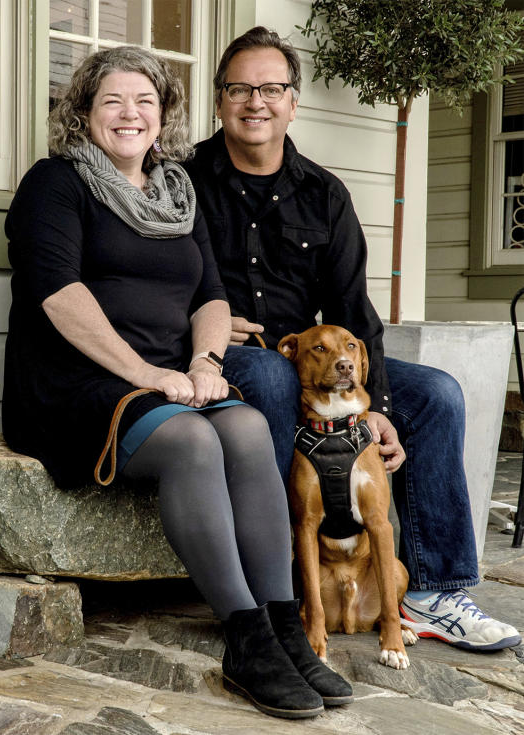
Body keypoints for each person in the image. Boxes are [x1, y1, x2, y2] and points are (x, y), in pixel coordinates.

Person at [2, 45, 352, 719]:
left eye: (144, 101)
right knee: (193, 441)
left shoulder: (173, 190)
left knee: (247, 426)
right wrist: (148, 374)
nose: (129, 114)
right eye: (111, 101)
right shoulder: (56, 182)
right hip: (77, 383)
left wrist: (203, 364)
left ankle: (283, 624)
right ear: (82, 113)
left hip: (168, 375)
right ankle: (244, 639)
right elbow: (58, 294)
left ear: (163, 115)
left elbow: (211, 296)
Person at [182, 26, 521, 652]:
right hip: (225, 358)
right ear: (219, 97)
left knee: (438, 394)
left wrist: (383, 407)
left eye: (272, 88)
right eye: (240, 88)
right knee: (270, 376)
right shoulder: (184, 183)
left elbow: (352, 310)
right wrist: (197, 317)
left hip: (309, 361)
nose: (256, 101)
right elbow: (149, 276)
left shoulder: (324, 194)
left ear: (292, 101)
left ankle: (432, 591)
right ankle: (281, 589)